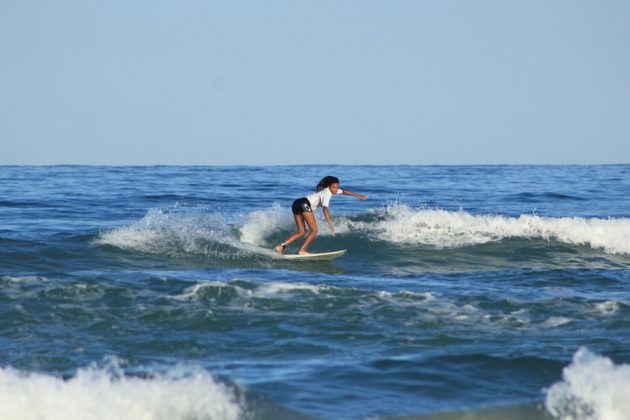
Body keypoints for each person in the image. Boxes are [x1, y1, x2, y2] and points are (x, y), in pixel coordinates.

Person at [274, 176, 368, 255]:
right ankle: (302, 250)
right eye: (333, 187)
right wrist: (330, 224)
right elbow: (325, 209)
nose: (335, 190)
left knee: (301, 232)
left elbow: (343, 191)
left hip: (296, 203)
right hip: (304, 204)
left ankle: (280, 246)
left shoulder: (331, 190)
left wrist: (357, 195)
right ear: (329, 187)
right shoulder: (327, 193)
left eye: (337, 187)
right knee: (314, 230)